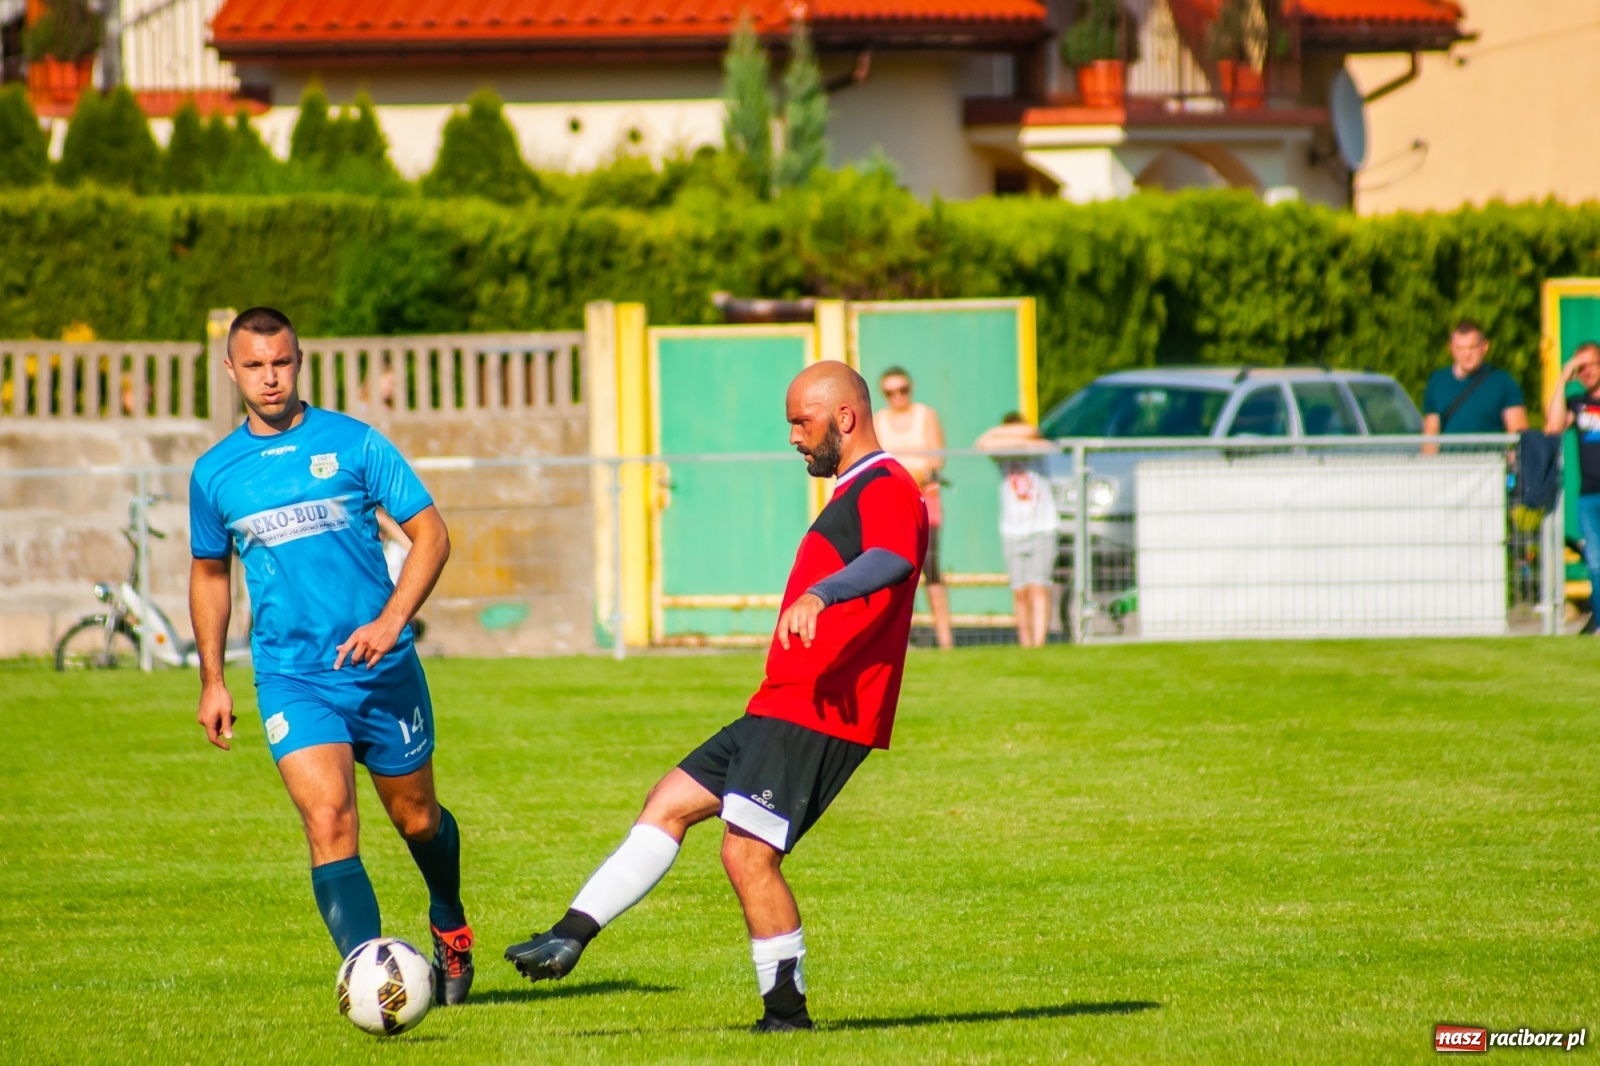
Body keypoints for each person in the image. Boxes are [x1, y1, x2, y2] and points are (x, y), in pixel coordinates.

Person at [505, 361, 928, 1032]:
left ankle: (785, 1017)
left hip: (818, 709)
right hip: (781, 700)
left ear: (844, 417)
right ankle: (569, 935)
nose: (793, 437)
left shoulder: (886, 484)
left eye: (802, 422)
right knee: (668, 801)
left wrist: (823, 592)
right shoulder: (853, 491)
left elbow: (895, 557)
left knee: (747, 853)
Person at [187, 307, 475, 1003]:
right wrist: (212, 679)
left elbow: (432, 535)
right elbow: (210, 573)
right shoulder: (214, 473)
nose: (269, 378)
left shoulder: (354, 443)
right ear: (231, 370)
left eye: (280, 362)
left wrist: (391, 621)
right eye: (254, 365)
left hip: (381, 672)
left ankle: (449, 919)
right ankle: (375, 983)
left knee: (417, 819)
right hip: (293, 677)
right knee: (329, 819)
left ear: (299, 361)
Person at [873, 366, 953, 648]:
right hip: (893, 503)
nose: (897, 396)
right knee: (894, 572)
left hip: (924, 501)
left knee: (931, 568)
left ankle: (945, 640)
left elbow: (937, 458)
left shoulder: (925, 415)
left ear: (910, 389)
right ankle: (896, 641)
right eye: (890, 392)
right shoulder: (879, 421)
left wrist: (917, 476)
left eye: (902, 390)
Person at [977, 413, 1058, 648]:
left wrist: (1016, 437)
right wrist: (1007, 435)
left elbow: (1041, 440)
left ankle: (1039, 643)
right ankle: (1025, 643)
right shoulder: (1001, 454)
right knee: (1020, 591)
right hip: (1013, 531)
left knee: (1039, 587)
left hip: (1043, 528)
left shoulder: (1038, 449)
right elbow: (983, 444)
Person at [1545, 340, 1600, 634]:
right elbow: (1553, 426)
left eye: (1591, 364)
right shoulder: (1578, 403)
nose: (1586, 372)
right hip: (1589, 495)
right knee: (1595, 564)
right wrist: (1564, 378)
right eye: (1581, 367)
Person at [1421, 320, 1528, 452]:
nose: (1467, 354)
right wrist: (1429, 463)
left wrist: (1513, 459)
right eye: (1460, 348)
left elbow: (1518, 433)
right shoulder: (1437, 381)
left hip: (1490, 462)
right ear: (1451, 348)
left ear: (1484, 346)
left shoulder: (1503, 382)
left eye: (1472, 347)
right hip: (1449, 462)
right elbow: (1431, 433)